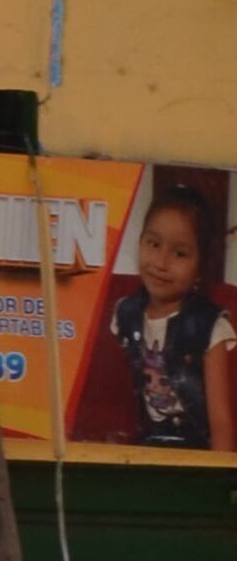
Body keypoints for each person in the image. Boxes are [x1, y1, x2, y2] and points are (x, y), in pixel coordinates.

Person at [97, 183, 237, 452]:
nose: (161, 262)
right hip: (147, 449)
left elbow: (221, 422)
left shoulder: (210, 327)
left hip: (196, 455)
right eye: (154, 244)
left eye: (179, 253)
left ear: (200, 268)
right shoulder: (126, 312)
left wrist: (217, 482)